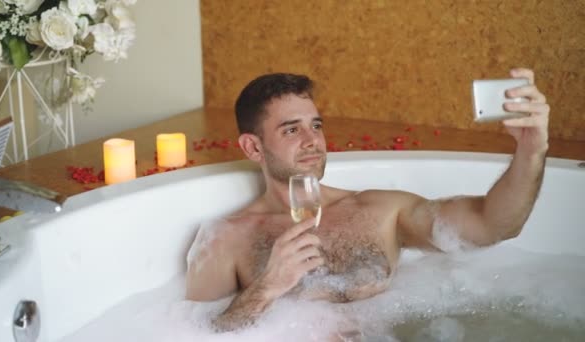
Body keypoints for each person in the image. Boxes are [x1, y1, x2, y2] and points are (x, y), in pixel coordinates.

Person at [185, 69, 550, 332]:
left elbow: (495, 224)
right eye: (292, 130)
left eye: (316, 125)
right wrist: (268, 287)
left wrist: (532, 150)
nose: (313, 141)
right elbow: (196, 334)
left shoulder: (378, 210)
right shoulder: (226, 239)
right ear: (253, 147)